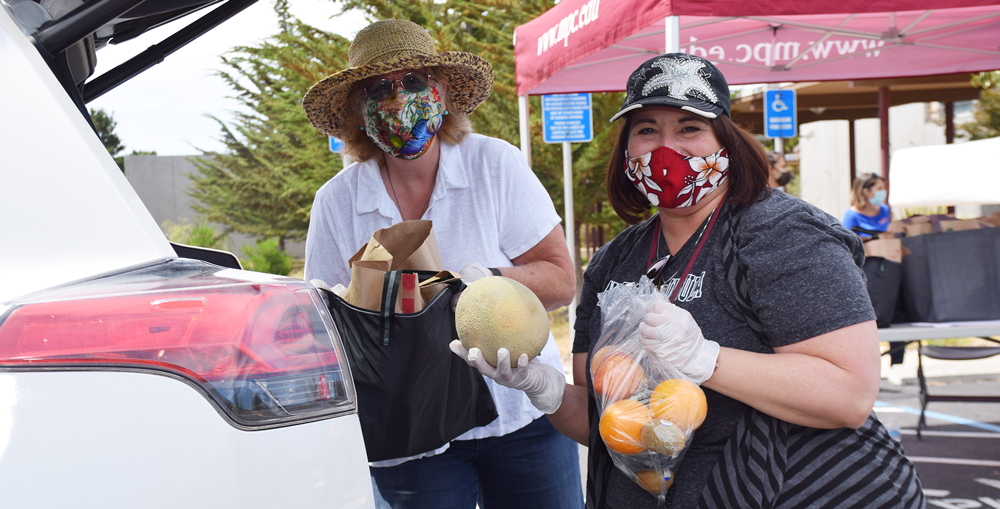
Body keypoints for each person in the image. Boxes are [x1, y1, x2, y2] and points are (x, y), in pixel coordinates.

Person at [452, 53, 924, 508]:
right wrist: (548, 393)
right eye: (647, 130)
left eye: (690, 127)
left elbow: (849, 394)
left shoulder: (781, 234)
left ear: (726, 142)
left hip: (806, 491)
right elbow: (606, 423)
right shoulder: (615, 262)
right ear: (626, 149)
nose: (666, 147)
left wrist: (705, 358)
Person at [301, 19, 583, 509]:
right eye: (377, 89)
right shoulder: (337, 201)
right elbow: (320, 322)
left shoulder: (494, 165)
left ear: (442, 89)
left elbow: (560, 280)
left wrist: (486, 282)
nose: (397, 99)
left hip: (517, 416)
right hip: (409, 431)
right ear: (356, 111)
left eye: (413, 82)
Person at [843, 173, 906, 385]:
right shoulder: (851, 216)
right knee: (871, 320)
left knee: (895, 315)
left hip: (890, 266)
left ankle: (897, 366)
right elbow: (848, 244)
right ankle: (868, 369)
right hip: (867, 270)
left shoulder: (886, 211)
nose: (882, 192)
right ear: (867, 191)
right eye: (879, 188)